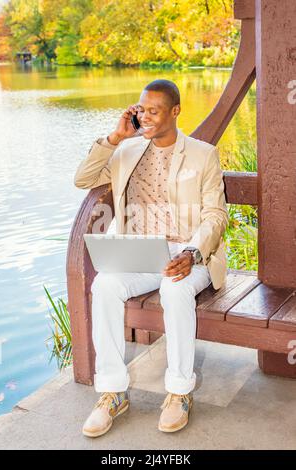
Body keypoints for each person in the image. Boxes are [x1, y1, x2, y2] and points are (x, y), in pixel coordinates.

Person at [74, 79, 228, 437]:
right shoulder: (127, 151)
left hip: (191, 254)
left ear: (175, 112)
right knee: (105, 284)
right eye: (141, 109)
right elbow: (82, 179)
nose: (146, 117)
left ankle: (178, 392)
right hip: (142, 250)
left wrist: (192, 251)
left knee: (175, 290)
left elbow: (215, 216)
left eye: (154, 111)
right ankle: (112, 392)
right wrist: (115, 138)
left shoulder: (203, 154)